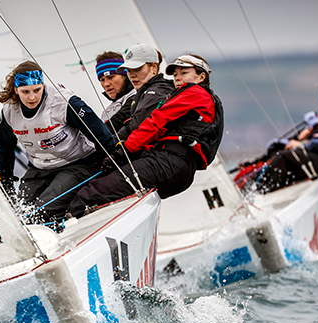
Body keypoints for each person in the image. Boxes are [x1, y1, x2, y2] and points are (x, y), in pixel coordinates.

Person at [68, 54, 224, 218]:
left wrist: (124, 150)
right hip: (176, 168)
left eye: (183, 73)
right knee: (116, 198)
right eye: (175, 74)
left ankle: (65, 225)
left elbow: (155, 122)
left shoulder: (194, 93)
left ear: (201, 76)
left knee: (92, 192)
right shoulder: (200, 98)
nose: (177, 77)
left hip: (169, 162)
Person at [0, 60, 114, 223]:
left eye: (37, 90)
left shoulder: (63, 101)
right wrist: (6, 181)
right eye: (25, 91)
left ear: (43, 85)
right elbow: (4, 148)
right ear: (16, 91)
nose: (32, 97)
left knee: (42, 211)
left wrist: (105, 164)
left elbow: (100, 132)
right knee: (20, 213)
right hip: (40, 167)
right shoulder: (10, 111)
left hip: (76, 163)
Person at [244, 79, 318, 194]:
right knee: (277, 152)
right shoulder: (315, 121)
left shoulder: (317, 124)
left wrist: (303, 144)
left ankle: (252, 193)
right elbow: (292, 141)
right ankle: (247, 190)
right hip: (312, 162)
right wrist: (258, 160)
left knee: (284, 158)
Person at [114, 43, 175, 142]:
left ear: (154, 67)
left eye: (137, 69)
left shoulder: (159, 90)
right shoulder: (144, 92)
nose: (132, 75)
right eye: (129, 70)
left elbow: (135, 125)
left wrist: (109, 145)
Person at [95, 51, 136, 134]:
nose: (106, 84)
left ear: (125, 76)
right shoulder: (105, 113)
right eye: (102, 80)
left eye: (110, 77)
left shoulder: (138, 94)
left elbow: (123, 117)